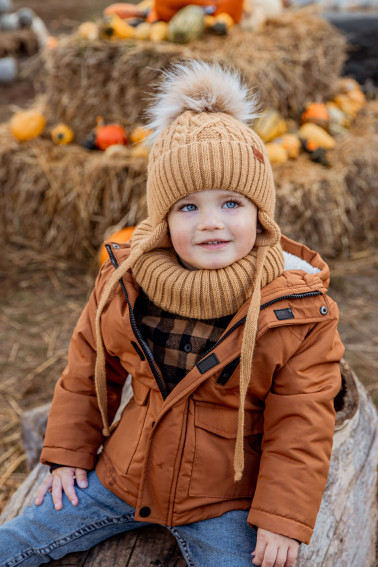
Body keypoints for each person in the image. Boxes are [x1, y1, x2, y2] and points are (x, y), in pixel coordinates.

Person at [0, 60, 344, 567]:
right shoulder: (127, 281)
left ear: (260, 214)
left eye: (231, 203)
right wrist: (70, 454)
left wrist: (281, 517)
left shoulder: (297, 310)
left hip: (223, 500)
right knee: (14, 544)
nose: (211, 224)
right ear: (161, 219)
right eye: (187, 207)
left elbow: (302, 421)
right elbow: (86, 368)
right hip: (122, 476)